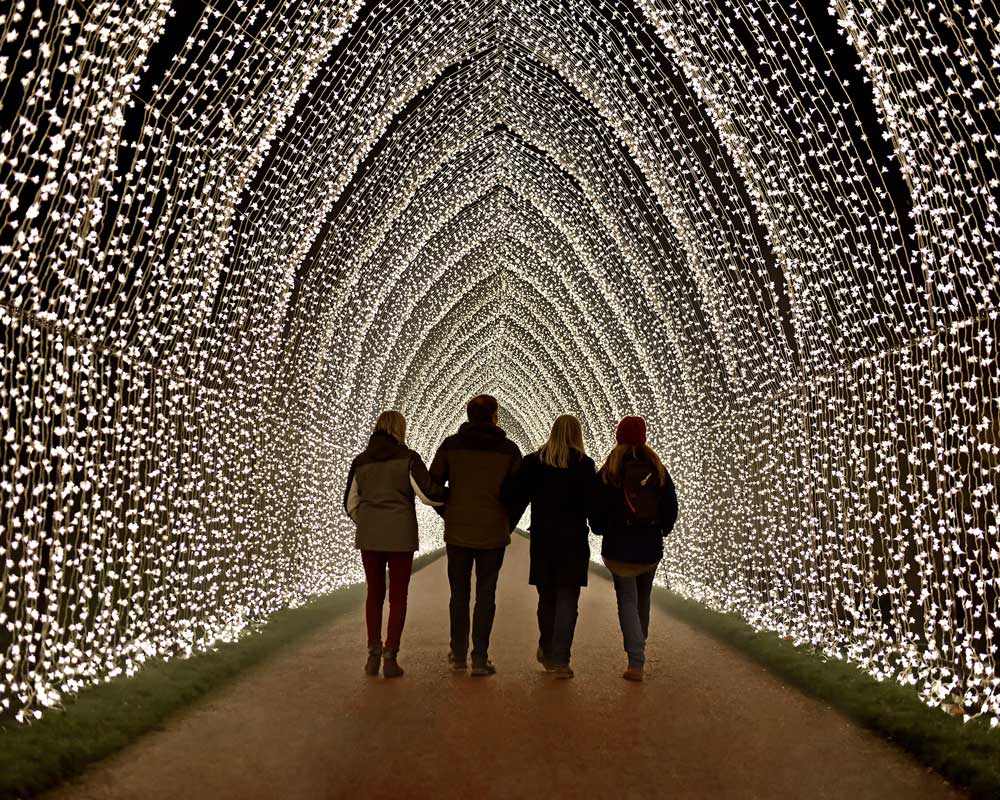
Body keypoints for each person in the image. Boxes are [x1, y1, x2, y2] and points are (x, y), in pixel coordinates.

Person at [344, 410, 445, 678]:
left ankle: (372, 654)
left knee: (374, 593)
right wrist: (454, 498)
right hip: (401, 537)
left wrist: (367, 523)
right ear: (400, 429)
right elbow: (428, 494)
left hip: (369, 537)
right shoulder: (408, 458)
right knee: (398, 596)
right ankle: (391, 655)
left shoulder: (360, 461)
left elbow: (350, 503)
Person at [430, 394, 522, 676]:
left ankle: (458, 654)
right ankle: (480, 657)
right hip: (493, 532)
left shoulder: (451, 445)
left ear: (468, 416)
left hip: (458, 531)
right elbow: (517, 495)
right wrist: (507, 522)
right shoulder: (508, 450)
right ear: (494, 416)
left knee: (458, 593)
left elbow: (433, 485)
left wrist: (449, 510)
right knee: (486, 593)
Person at [591, 416, 678, 682]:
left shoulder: (609, 470)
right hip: (650, 548)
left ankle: (636, 660)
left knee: (626, 600)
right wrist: (660, 531)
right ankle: (640, 646)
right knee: (643, 598)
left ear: (619, 437)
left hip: (618, 548)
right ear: (644, 437)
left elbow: (595, 510)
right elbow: (671, 508)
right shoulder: (658, 468)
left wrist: (601, 529)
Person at [511, 415, 596, 679]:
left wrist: (504, 526)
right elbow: (592, 505)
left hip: (544, 540)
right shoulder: (584, 465)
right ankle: (561, 659)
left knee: (546, 597)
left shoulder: (534, 462)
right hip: (573, 541)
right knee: (568, 598)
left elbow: (516, 496)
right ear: (577, 435)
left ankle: (547, 648)